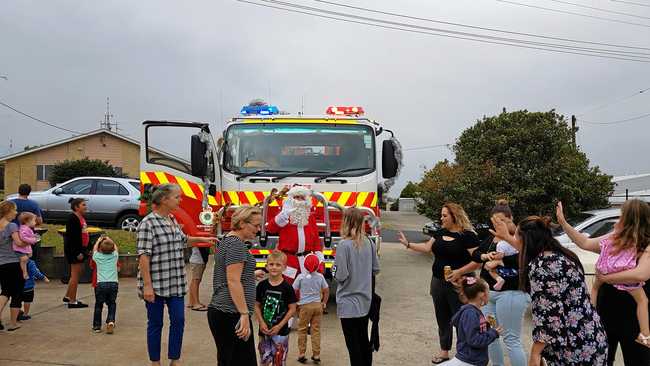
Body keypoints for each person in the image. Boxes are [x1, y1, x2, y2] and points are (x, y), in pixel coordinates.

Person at [494, 215, 608, 365]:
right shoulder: (561, 255)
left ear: (527, 241)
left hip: (572, 348)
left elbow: (550, 316)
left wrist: (535, 353)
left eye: (517, 238)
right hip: (591, 337)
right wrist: (508, 237)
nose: (515, 244)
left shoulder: (542, 267)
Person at [557, 199, 650, 364]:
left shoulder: (647, 243)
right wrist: (564, 224)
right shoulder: (615, 237)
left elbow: (641, 274)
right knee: (602, 358)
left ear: (630, 219)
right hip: (607, 307)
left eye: (622, 215)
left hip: (634, 313)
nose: (619, 219)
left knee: (638, 360)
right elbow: (584, 243)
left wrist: (606, 278)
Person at [137, 183, 217, 366]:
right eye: (177, 197)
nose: (180, 200)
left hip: (175, 283)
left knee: (179, 321)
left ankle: (175, 359)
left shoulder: (171, 219)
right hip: (156, 285)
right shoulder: (147, 224)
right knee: (156, 323)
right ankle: (155, 361)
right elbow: (143, 256)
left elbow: (183, 240)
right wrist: (147, 286)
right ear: (164, 200)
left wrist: (203, 239)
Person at [398, 203, 481, 364]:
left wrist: (459, 272)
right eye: (441, 215)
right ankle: (444, 351)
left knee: (462, 318)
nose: (441, 218)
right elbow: (427, 247)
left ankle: (465, 353)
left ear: (454, 216)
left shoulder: (468, 236)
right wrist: (408, 244)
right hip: (438, 282)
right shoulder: (440, 232)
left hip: (461, 284)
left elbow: (477, 261)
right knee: (442, 318)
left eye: (445, 216)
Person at [470, 200, 530, 366]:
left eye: (501, 221)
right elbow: (476, 253)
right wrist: (485, 257)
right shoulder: (492, 237)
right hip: (489, 294)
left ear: (511, 218)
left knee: (511, 338)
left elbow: (523, 260)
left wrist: (499, 261)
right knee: (491, 335)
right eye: (494, 222)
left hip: (511, 293)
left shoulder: (521, 236)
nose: (498, 225)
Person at [207, 205, 260, 366]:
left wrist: (250, 275)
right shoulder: (236, 245)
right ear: (243, 223)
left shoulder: (228, 240)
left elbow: (231, 275)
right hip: (231, 312)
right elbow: (233, 280)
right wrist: (244, 314)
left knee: (229, 359)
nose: (258, 229)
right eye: (256, 225)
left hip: (227, 311)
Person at [335, 207, 380, 366]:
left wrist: (333, 269)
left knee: (353, 347)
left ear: (346, 223)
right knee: (364, 343)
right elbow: (376, 269)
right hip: (365, 302)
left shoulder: (343, 245)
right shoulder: (369, 242)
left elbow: (340, 275)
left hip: (348, 303)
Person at [266, 185, 324, 285]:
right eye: (296, 197)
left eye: (302, 198)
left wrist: (319, 260)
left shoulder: (310, 218)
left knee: (306, 291)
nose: (299, 200)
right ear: (290, 199)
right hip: (288, 261)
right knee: (288, 290)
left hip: (307, 261)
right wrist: (284, 214)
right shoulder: (284, 216)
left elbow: (316, 241)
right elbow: (271, 229)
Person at [439, 277, 502, 366]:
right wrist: (493, 333)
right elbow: (474, 340)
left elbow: (473, 331)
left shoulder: (471, 311)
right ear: (482, 295)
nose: (490, 294)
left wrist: (485, 324)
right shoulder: (471, 314)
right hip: (470, 361)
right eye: (488, 292)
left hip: (470, 359)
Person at [255, 250, 298, 366]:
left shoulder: (287, 287)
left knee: (279, 361)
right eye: (271, 264)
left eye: (278, 265)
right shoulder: (261, 286)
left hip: (281, 332)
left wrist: (279, 325)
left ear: (284, 267)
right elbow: (256, 305)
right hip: (263, 331)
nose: (274, 267)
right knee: (264, 360)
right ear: (266, 266)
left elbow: (293, 309)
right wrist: (261, 322)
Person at [293, 253, 329, 364]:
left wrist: (295, 303)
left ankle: (302, 353)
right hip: (317, 306)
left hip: (304, 307)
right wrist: (324, 303)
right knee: (316, 331)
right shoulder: (320, 277)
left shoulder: (301, 277)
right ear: (318, 266)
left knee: (302, 329)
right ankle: (316, 354)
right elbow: (326, 290)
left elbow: (293, 289)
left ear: (304, 265)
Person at [0, 200, 27, 331]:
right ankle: (13, 323)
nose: (16, 213)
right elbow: (19, 243)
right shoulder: (11, 226)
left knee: (5, 292)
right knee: (17, 292)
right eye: (14, 210)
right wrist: (29, 241)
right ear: (8, 211)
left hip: (1, 263)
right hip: (13, 262)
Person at [63, 197, 90, 308]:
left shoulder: (81, 217)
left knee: (77, 273)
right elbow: (72, 238)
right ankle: (72, 301)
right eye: (83, 205)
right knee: (75, 275)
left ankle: (68, 296)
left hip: (81, 249)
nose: (85, 207)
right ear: (76, 207)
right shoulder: (72, 219)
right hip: (75, 251)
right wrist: (77, 252)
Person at [92, 236, 119, 334]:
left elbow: (94, 249)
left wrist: (98, 240)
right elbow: (116, 248)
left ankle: (97, 326)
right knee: (112, 303)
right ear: (112, 249)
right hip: (113, 283)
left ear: (100, 249)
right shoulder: (115, 256)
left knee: (99, 305)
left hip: (101, 284)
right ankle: (111, 320)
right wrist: (110, 239)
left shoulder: (97, 257)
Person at [13, 212, 39, 280]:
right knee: (24, 259)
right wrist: (33, 240)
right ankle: (24, 272)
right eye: (34, 220)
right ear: (27, 221)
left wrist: (34, 236)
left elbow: (29, 235)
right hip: (20, 249)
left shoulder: (27, 228)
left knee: (29, 258)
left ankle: (31, 272)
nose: (35, 222)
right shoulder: (23, 228)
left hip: (25, 248)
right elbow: (23, 237)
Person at [187, 246, 210, 312]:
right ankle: (196, 303)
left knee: (195, 280)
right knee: (196, 281)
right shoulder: (198, 238)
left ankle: (191, 302)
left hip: (197, 260)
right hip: (198, 261)